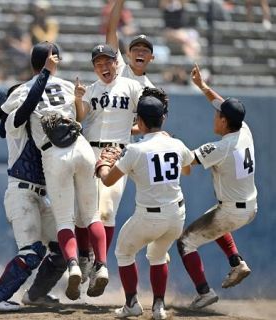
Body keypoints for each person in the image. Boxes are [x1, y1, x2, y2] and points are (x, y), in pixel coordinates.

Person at [1, 41, 108, 300]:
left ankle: (73, 265)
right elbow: (84, 115)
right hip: (81, 146)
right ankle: (101, 266)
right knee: (92, 215)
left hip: (53, 152)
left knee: (64, 221)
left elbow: (8, 116)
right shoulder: (69, 86)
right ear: (56, 61)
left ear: (32, 64)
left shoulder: (24, 89)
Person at [96, 87, 194, 319]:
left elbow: (108, 181)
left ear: (139, 120)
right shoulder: (177, 144)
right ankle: (159, 306)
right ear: (163, 118)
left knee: (123, 252)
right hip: (177, 215)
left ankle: (132, 304)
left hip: (149, 216)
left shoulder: (135, 150)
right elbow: (187, 170)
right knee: (158, 255)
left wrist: (102, 164)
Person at [0, 51, 66, 312]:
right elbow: (27, 105)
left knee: (63, 249)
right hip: (21, 194)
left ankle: (36, 295)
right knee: (30, 252)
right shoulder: (12, 124)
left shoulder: (29, 123)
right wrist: (45, 74)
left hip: (39, 195)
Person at [177, 64, 257, 309]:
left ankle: (204, 292)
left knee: (185, 242)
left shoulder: (220, 148)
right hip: (250, 205)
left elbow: (186, 161)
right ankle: (236, 262)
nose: (215, 116)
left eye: (218, 115)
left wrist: (168, 144)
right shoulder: (244, 129)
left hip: (233, 210)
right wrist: (202, 86)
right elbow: (222, 104)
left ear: (224, 121)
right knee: (215, 218)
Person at [74, 43, 143, 281]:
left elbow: (150, 117)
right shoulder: (91, 90)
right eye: (98, 63)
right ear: (94, 67)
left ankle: (99, 264)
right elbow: (80, 117)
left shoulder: (132, 86)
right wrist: (78, 99)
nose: (104, 66)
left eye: (108, 61)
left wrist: (126, 136)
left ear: (117, 63)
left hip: (115, 154)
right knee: (83, 212)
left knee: (106, 211)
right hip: (88, 150)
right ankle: (84, 257)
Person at [106, 0, 155, 88]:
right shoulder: (118, 69)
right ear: (128, 54)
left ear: (151, 58)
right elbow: (111, 30)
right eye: (135, 49)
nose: (140, 53)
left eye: (145, 50)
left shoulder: (150, 90)